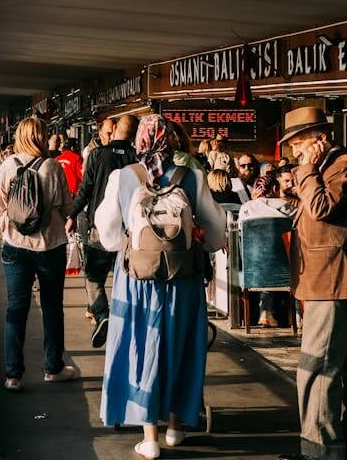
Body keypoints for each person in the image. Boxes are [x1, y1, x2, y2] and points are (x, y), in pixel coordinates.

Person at [95, 114, 227, 459]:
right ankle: (175, 428)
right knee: (180, 344)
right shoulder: (192, 176)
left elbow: (108, 235)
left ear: (139, 141)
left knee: (141, 344)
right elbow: (216, 233)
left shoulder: (123, 176)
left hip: (137, 279)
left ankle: (148, 436)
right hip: (183, 278)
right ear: (171, 140)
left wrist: (132, 241)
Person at [276, 107, 347, 460]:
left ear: (318, 139)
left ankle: (318, 450)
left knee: (316, 370)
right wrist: (295, 189)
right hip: (324, 282)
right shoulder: (324, 168)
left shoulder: (343, 165)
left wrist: (305, 172)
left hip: (333, 282)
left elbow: (321, 208)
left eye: (298, 144)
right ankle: (341, 446)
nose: (295, 153)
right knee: (338, 369)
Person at [0, 117, 76, 391]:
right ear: (42, 137)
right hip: (49, 246)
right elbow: (67, 206)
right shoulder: (52, 166)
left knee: (16, 309)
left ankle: (13, 376)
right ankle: (53, 368)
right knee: (52, 308)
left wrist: (13, 210)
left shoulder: (8, 165)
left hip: (15, 246)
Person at [71, 114, 138, 348]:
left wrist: (71, 214)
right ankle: (125, 319)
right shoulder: (137, 158)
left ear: (116, 128)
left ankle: (102, 314)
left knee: (94, 278)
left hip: (100, 227)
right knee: (126, 276)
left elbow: (85, 189)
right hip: (131, 230)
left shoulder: (98, 154)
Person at [240, 166, 298, 327]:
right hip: (285, 265)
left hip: (253, 267)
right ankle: (298, 316)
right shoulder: (287, 207)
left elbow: (239, 234)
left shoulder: (246, 208)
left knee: (260, 263)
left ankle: (261, 312)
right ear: (274, 188)